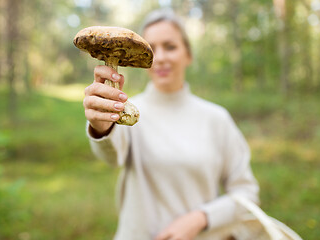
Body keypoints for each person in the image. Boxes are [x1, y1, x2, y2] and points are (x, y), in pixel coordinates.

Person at [83, 9, 259, 240]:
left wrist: (200, 218)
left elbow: (247, 193)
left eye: (171, 46)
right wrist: (100, 125)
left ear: (188, 54)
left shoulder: (216, 118)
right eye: (152, 49)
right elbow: (111, 157)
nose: (161, 57)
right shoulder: (126, 110)